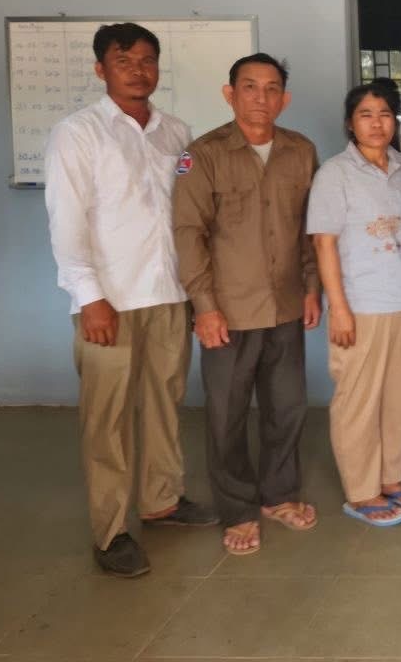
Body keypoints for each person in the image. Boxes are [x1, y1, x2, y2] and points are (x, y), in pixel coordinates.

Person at [44, 23, 218, 577]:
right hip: (110, 301)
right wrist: (89, 297)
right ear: (101, 69)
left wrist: (194, 292)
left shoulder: (176, 132)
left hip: (168, 294)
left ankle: (161, 501)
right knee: (108, 421)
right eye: (124, 61)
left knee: (165, 404)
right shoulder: (78, 134)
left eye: (147, 60)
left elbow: (187, 216)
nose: (138, 70)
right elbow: (66, 223)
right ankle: (111, 531)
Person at [172, 52, 322, 556]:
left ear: (285, 98)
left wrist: (312, 286)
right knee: (227, 414)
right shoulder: (204, 154)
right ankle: (237, 509)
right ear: (230, 93)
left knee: (287, 407)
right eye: (250, 87)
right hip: (229, 311)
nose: (261, 97)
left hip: (285, 304)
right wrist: (204, 306)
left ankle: (279, 495)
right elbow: (188, 233)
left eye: (272, 88)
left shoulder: (300, 151)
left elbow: (310, 228)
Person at [307, 79, 401, 528]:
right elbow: (324, 244)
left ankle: (390, 478)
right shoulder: (335, 173)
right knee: (358, 400)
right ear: (349, 123)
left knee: (398, 397)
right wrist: (338, 308)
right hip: (360, 305)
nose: (376, 124)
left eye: (384, 114)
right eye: (365, 115)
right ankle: (361, 492)